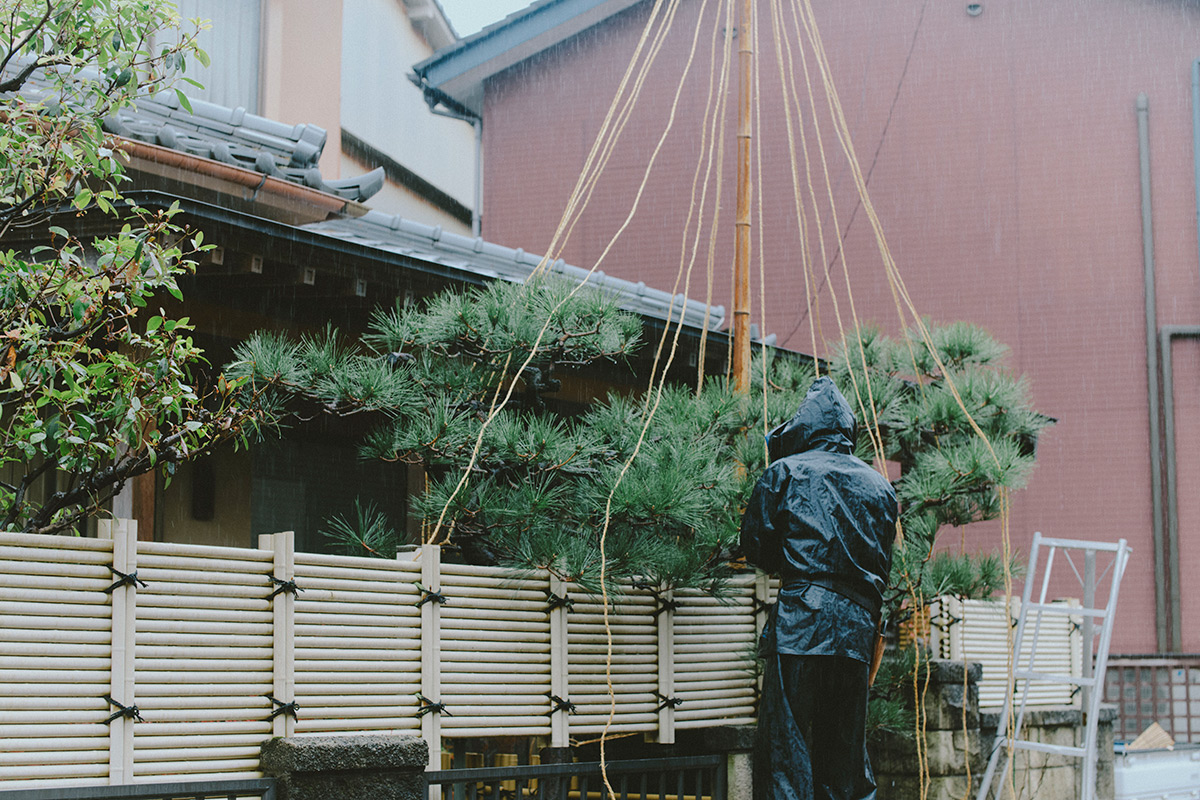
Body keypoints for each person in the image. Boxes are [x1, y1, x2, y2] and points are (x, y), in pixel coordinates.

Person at [739, 376, 898, 800]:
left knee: (784, 750)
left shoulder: (785, 472)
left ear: (803, 427)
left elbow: (756, 546)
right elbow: (883, 562)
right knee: (845, 754)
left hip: (801, 623)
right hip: (857, 630)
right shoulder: (881, 486)